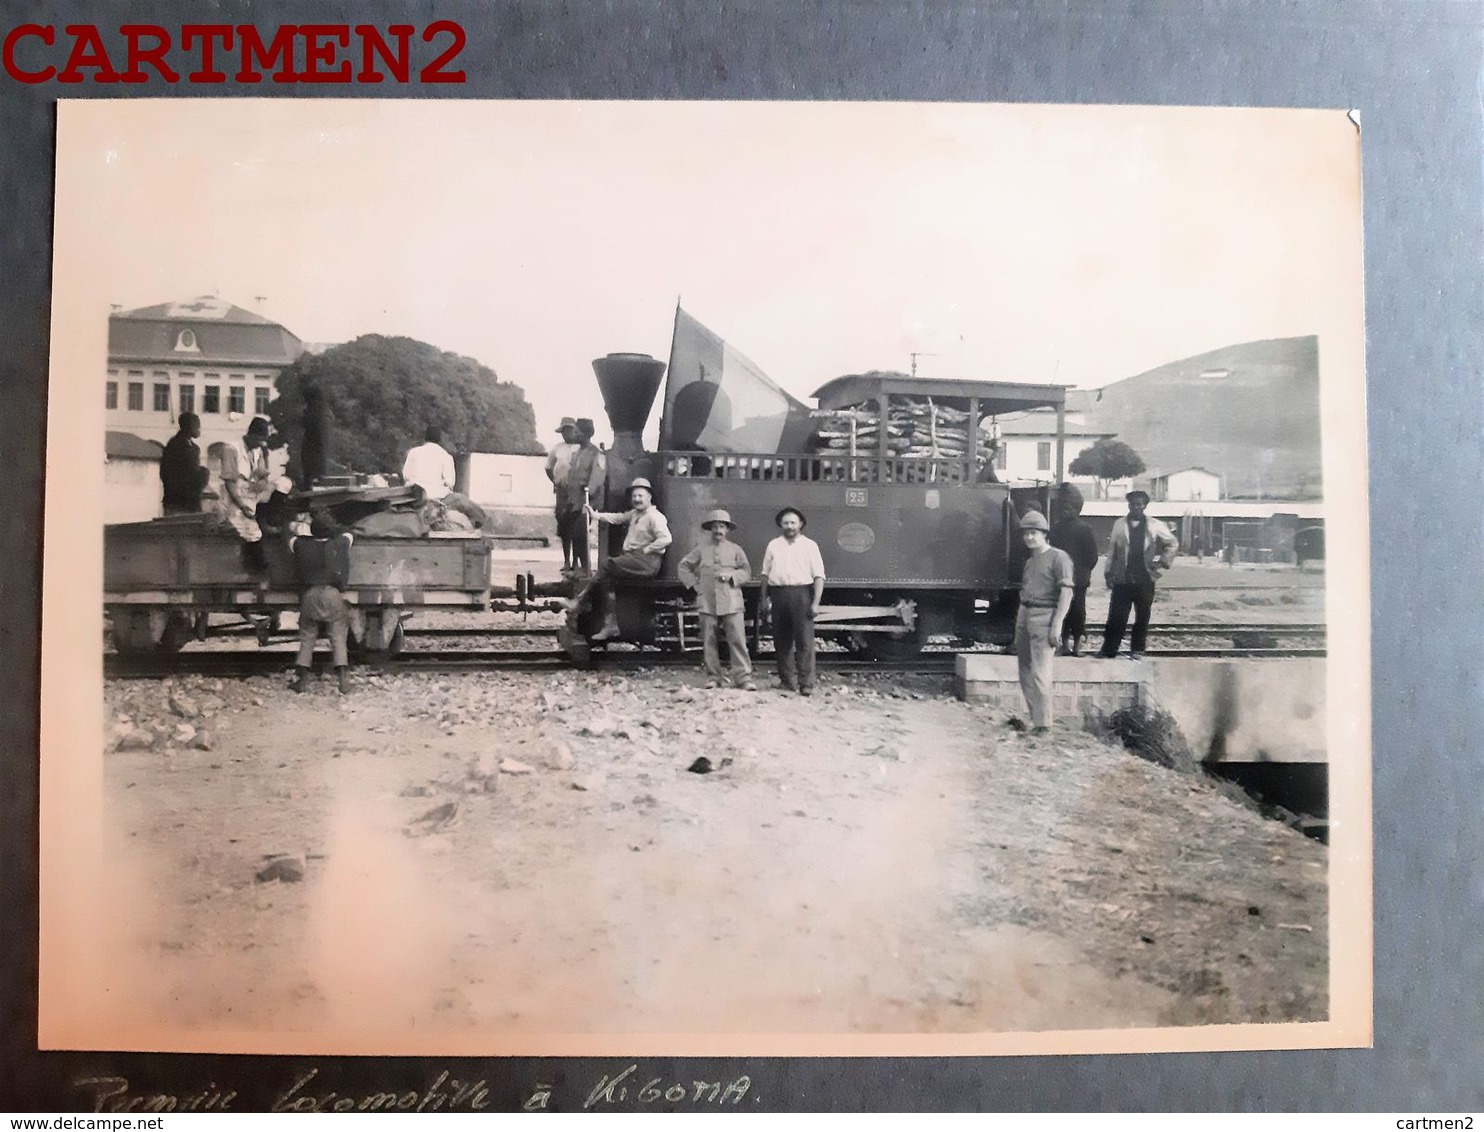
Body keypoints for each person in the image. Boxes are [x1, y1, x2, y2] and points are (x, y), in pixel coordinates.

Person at [574, 477, 671, 641]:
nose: (637, 499)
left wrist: (648, 549)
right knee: (607, 580)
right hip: (635, 559)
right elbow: (618, 518)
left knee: (607, 565)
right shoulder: (635, 514)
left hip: (647, 562)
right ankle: (611, 624)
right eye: (634, 496)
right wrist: (596, 515)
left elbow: (666, 538)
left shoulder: (655, 517)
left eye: (640, 496)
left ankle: (579, 601)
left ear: (649, 497)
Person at [677, 509, 757, 691]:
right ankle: (713, 677)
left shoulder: (736, 550)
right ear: (710, 529)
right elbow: (683, 566)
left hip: (731, 601)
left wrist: (732, 575)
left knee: (737, 639)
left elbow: (747, 572)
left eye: (722, 526)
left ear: (727, 529)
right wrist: (695, 585)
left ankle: (743, 678)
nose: (718, 530)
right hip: (707, 601)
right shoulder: (700, 549)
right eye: (715, 526)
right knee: (709, 640)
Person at [1098, 489, 1179, 660]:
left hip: (1145, 578)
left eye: (1140, 504)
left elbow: (1172, 543)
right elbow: (1112, 550)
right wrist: (1108, 572)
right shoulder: (1119, 524)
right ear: (1129, 505)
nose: (1136, 507)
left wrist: (1161, 564)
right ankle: (1109, 649)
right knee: (1117, 616)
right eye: (1133, 503)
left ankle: (1137, 650)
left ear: (1145, 506)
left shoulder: (1154, 525)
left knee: (1142, 616)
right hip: (1122, 578)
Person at [1014, 510, 1074, 734]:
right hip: (1025, 613)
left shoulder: (1059, 557)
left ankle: (1044, 725)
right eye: (1026, 534)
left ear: (1044, 534)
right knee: (1025, 671)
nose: (1030, 538)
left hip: (1044, 615)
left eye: (1034, 533)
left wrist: (1057, 624)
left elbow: (1066, 593)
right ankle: (1035, 720)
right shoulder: (1030, 562)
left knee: (1040, 673)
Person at [758, 506, 826, 696]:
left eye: (793, 522)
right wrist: (764, 599)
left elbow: (819, 576)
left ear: (800, 524)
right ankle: (787, 681)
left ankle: (806, 683)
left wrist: (815, 603)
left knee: (804, 641)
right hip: (778, 594)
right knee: (781, 641)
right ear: (781, 525)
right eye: (786, 523)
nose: (789, 526)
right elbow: (765, 574)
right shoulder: (773, 545)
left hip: (802, 595)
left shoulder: (810, 546)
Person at [288, 512, 354, 695]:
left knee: (308, 635)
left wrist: (297, 524)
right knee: (338, 635)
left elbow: (289, 536)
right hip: (333, 594)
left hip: (309, 595)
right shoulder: (340, 544)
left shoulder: (301, 545)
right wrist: (335, 527)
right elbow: (348, 532)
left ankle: (301, 680)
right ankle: (343, 681)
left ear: (312, 530)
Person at [402, 426, 488, 529]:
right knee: (461, 500)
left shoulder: (413, 452)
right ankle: (478, 523)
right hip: (437, 499)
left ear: (425, 438)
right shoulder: (445, 456)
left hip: (415, 498)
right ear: (439, 440)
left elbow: (406, 475)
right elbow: (450, 483)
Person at [1049, 484, 1101, 656]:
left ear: (1077, 508)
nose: (1066, 511)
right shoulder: (1057, 528)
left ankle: (1077, 645)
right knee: (1064, 611)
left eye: (1070, 507)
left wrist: (1082, 572)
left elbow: (1092, 556)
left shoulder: (1085, 529)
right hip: (1064, 578)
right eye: (1064, 507)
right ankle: (1064, 645)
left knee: (1077, 612)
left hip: (1077, 579)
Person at [219, 416, 274, 569]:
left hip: (252, 497)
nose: (262, 444)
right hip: (234, 500)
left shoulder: (258, 451)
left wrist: (262, 483)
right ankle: (258, 566)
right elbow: (229, 483)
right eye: (260, 439)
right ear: (252, 434)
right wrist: (242, 506)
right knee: (250, 530)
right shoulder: (231, 448)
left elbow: (264, 475)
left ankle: (254, 564)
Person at [546, 417, 582, 572]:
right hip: (562, 492)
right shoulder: (557, 448)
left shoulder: (582, 448)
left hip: (578, 492)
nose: (567, 434)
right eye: (564, 431)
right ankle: (566, 561)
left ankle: (576, 562)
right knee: (564, 528)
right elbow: (548, 467)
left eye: (570, 430)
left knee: (577, 528)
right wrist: (555, 481)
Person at [159, 411, 208, 515]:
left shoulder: (177, 444)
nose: (199, 429)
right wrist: (204, 474)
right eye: (197, 426)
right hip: (182, 503)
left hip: (176, 501)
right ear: (189, 427)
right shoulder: (182, 447)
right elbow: (190, 475)